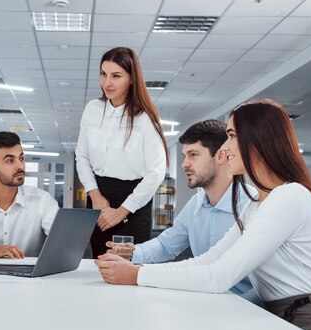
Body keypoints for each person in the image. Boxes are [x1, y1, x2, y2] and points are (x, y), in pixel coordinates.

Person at [96, 99, 311, 330]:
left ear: (256, 140)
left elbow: (220, 275)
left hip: (310, 317)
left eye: (231, 136)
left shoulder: (289, 197)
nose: (225, 148)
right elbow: (210, 259)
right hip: (285, 313)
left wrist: (137, 275)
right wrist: (138, 270)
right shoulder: (257, 202)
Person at [105, 119, 261, 305]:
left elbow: (261, 284)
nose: (184, 164)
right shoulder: (196, 203)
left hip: (244, 308)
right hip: (203, 298)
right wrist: (134, 252)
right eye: (185, 155)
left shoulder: (253, 205)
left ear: (220, 156)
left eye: (193, 155)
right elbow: (166, 245)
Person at [75, 47, 168, 256]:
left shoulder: (145, 118)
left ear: (132, 78)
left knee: (127, 268)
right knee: (100, 263)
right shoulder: (93, 109)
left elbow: (156, 172)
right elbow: (81, 156)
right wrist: (94, 194)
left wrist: (122, 211)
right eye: (103, 74)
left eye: (116, 76)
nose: (107, 83)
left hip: (133, 202)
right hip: (99, 197)